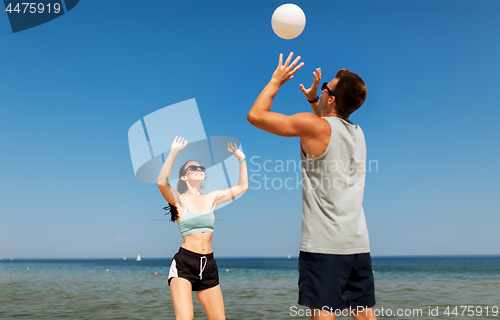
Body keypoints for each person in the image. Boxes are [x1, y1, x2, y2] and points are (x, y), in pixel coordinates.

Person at [247, 52, 376, 320]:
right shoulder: (358, 133)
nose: (322, 86)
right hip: (357, 242)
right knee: (363, 314)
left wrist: (276, 80)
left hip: (325, 244)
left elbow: (256, 116)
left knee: (323, 315)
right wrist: (315, 98)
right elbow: (329, 120)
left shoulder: (314, 126)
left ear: (331, 98)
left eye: (326, 86)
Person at [157, 136, 248, 320]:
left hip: (209, 265)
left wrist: (241, 158)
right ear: (184, 176)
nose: (199, 170)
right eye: (193, 168)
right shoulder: (179, 200)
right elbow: (161, 182)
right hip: (184, 264)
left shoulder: (211, 198)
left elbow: (242, 186)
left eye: (201, 168)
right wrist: (174, 151)